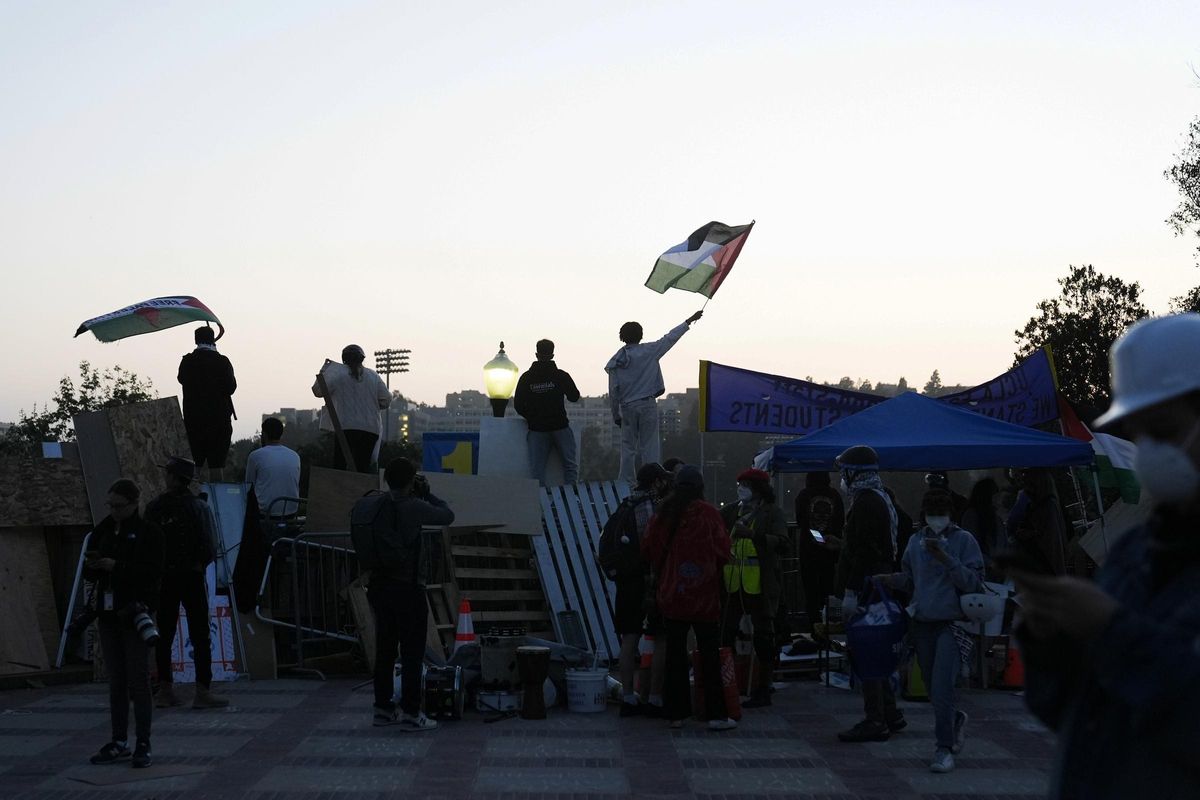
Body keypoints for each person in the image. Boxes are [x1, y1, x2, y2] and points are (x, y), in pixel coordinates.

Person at [1014, 313, 1200, 798]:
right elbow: (1074, 713)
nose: (1149, 453)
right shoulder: (1136, 552)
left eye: (1164, 431)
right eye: (1141, 435)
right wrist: (1050, 638)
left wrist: (1111, 629)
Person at [876, 489, 983, 773]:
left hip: (953, 623)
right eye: (932, 513)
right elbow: (912, 580)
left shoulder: (964, 541)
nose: (937, 519)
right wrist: (890, 580)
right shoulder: (915, 541)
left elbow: (974, 582)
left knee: (941, 686)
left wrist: (946, 557)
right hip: (922, 622)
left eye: (942, 513)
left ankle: (943, 747)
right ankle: (954, 719)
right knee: (934, 692)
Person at [353, 457, 454, 730]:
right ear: (411, 480)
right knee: (412, 651)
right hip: (406, 588)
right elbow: (447, 515)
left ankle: (382, 709)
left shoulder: (376, 504)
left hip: (378, 585)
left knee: (385, 648)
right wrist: (427, 492)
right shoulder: (412, 506)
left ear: (387, 480)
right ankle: (411, 711)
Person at [640, 465, 736, 730]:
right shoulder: (709, 514)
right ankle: (716, 715)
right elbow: (723, 550)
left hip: (672, 594)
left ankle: (675, 714)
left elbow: (647, 548)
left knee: (674, 656)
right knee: (709, 656)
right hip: (705, 596)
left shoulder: (663, 514)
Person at [85, 479, 164, 769]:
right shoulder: (103, 530)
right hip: (108, 613)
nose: (114, 511)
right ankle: (119, 740)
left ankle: (143, 741)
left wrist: (116, 566)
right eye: (111, 506)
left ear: (133, 504)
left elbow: (153, 572)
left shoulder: (149, 533)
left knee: (138, 680)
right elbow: (88, 568)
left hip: (134, 612)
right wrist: (94, 567)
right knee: (116, 680)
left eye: (119, 506)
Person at [833, 445, 906, 742]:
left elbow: (862, 551)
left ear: (854, 473)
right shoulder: (880, 497)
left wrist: (851, 590)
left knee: (867, 651)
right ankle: (890, 712)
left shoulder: (865, 503)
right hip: (878, 580)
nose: (841, 477)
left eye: (844, 471)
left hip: (869, 584)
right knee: (875, 648)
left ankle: (875, 719)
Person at [145, 457, 228, 710]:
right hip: (192, 576)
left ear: (172, 477)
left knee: (165, 633)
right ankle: (202, 691)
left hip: (165, 578)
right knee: (200, 633)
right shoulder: (198, 507)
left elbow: (147, 544)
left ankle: (165, 690)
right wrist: (200, 564)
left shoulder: (154, 507)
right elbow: (211, 545)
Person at [605, 312, 703, 485]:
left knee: (628, 447)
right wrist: (688, 321)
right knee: (649, 446)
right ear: (641, 335)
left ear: (622, 337)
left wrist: (615, 415)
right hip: (647, 404)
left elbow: (613, 391)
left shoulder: (616, 361)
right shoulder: (649, 351)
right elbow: (670, 338)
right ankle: (652, 480)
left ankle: (625, 481)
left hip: (627, 407)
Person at [719, 468, 790, 707]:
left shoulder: (772, 514)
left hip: (760, 584)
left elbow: (783, 544)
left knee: (764, 636)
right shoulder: (730, 511)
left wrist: (753, 535)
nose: (741, 488)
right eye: (739, 484)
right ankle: (724, 683)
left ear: (759, 489)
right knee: (725, 633)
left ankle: (764, 687)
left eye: (746, 484)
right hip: (732, 585)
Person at [611, 462, 671, 717]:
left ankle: (627, 697)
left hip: (625, 580)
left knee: (629, 639)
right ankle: (655, 698)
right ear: (656, 482)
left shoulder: (625, 504)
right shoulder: (650, 507)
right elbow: (652, 546)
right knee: (659, 638)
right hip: (647, 581)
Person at [312, 344, 391, 473]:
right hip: (370, 429)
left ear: (344, 360)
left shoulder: (337, 375)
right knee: (362, 469)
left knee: (340, 467)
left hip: (345, 428)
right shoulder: (373, 376)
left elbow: (318, 391)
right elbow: (386, 399)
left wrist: (325, 370)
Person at [513, 339, 581, 485]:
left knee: (537, 471)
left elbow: (518, 405)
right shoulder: (561, 376)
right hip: (560, 426)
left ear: (536, 354)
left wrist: (533, 417)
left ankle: (540, 502)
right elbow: (574, 397)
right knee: (570, 466)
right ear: (552, 354)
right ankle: (570, 498)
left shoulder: (526, 378)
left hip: (537, 429)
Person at [177, 326, 236, 481]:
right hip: (219, 421)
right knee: (217, 465)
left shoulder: (187, 361)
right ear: (213, 339)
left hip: (193, 421)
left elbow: (181, 379)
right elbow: (231, 387)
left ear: (196, 340)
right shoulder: (222, 362)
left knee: (193, 466)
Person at [794, 472, 845, 624]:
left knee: (810, 592)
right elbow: (840, 521)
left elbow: (801, 521)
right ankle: (828, 625)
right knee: (828, 590)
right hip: (830, 551)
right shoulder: (835, 495)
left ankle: (814, 625)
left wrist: (817, 538)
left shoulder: (804, 495)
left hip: (808, 551)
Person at [1005, 468, 1067, 575]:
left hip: (1043, 561)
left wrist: (1028, 534)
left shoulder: (1046, 505)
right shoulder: (1047, 503)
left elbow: (1047, 535)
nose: (1025, 481)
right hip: (1043, 560)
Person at [245, 417, 301, 517]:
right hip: (291, 514)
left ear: (265, 434)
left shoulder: (255, 456)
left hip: (265, 515)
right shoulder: (295, 456)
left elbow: (248, 487)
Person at [960, 477, 1004, 566]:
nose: (999, 499)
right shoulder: (971, 515)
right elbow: (971, 545)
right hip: (980, 567)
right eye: (995, 495)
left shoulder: (996, 517)